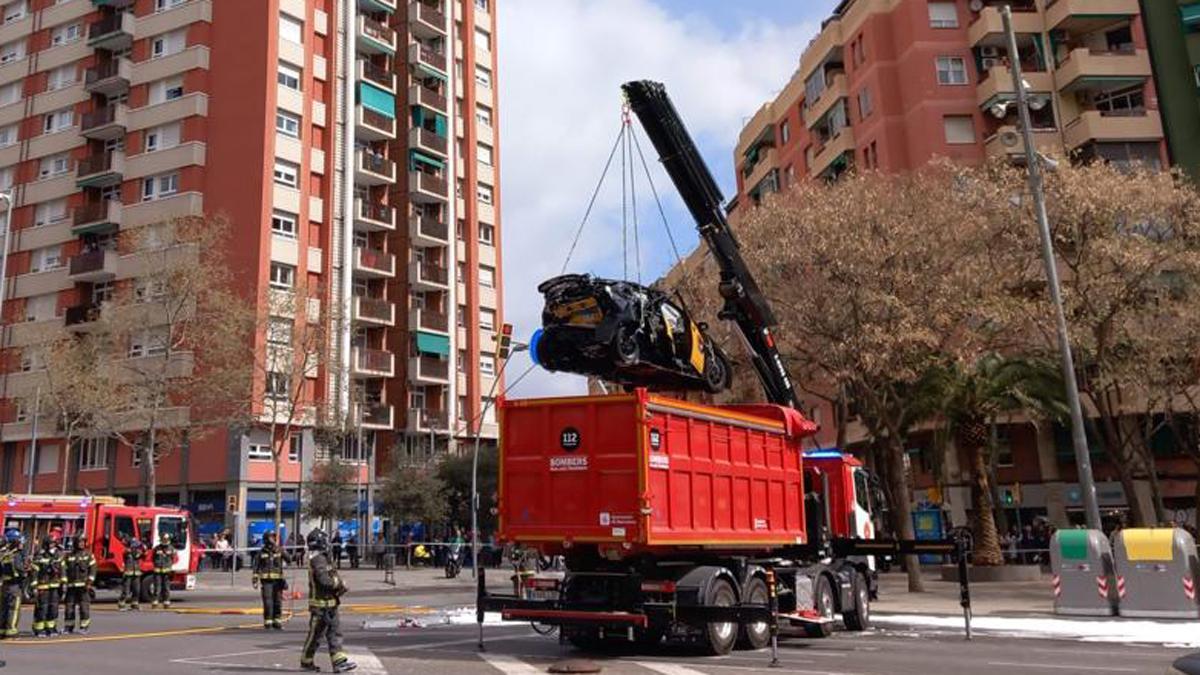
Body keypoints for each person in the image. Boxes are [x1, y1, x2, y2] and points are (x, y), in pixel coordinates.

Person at [301, 529, 356, 673]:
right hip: (321, 606)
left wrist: (340, 587)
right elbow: (323, 580)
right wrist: (339, 583)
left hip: (330, 604)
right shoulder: (318, 560)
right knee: (316, 636)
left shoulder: (324, 558)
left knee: (334, 633)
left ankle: (339, 663)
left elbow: (331, 576)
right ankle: (306, 660)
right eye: (325, 540)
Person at [31, 535, 65, 637]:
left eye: (54, 543)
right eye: (51, 543)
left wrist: (63, 583)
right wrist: (34, 586)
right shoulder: (40, 555)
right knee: (42, 608)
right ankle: (39, 629)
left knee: (53, 608)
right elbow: (34, 572)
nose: (52, 545)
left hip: (55, 586)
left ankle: (51, 628)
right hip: (43, 586)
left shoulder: (59, 555)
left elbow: (63, 570)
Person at [253, 531, 288, 630]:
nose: (273, 539)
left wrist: (282, 551)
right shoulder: (261, 552)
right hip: (266, 581)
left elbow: (289, 559)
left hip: (278, 581)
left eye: (274, 537)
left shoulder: (279, 550)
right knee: (268, 602)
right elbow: (256, 567)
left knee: (278, 602)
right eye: (271, 537)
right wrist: (255, 580)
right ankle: (268, 622)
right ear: (266, 539)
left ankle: (277, 622)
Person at [63, 535, 96, 634]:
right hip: (71, 586)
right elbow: (64, 569)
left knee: (84, 607)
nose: (81, 543)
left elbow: (93, 570)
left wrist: (89, 582)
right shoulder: (69, 556)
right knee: (69, 607)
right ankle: (69, 627)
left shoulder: (88, 555)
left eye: (83, 541)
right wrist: (64, 582)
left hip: (84, 586)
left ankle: (84, 627)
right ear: (75, 543)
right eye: (79, 541)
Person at [0, 529, 27, 640]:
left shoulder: (4, 555)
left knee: (3, 608)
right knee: (14, 609)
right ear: (14, 542)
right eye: (19, 541)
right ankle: (11, 632)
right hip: (15, 585)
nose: (22, 544)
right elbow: (20, 570)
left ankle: (2, 630)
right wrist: (26, 570)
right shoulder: (15, 555)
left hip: (5, 585)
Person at [151, 534, 178, 609]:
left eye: (166, 539)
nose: (165, 541)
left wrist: (171, 567)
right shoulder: (157, 548)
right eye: (163, 539)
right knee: (157, 587)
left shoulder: (171, 548)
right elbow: (152, 558)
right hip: (157, 572)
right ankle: (155, 602)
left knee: (166, 587)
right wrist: (156, 565)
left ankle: (166, 602)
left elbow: (175, 558)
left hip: (167, 572)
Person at [118, 535, 144, 611]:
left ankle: (134, 604)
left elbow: (143, 555)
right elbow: (128, 555)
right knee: (126, 590)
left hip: (136, 573)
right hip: (128, 573)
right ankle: (121, 604)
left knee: (137, 589)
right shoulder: (127, 552)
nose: (136, 546)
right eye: (134, 544)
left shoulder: (138, 552)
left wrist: (143, 547)